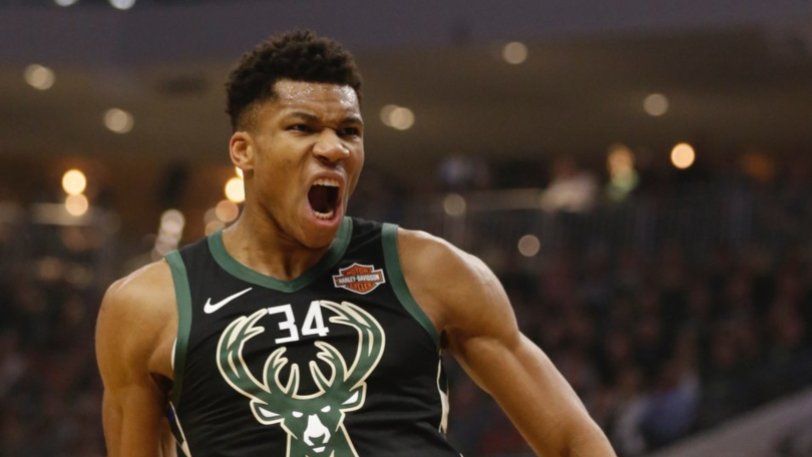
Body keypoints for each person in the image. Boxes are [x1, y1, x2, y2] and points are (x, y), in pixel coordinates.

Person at [95, 30, 617, 457]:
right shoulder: (148, 304)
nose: (334, 148)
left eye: (349, 130)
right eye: (303, 128)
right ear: (244, 151)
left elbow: (573, 441)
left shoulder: (429, 268)